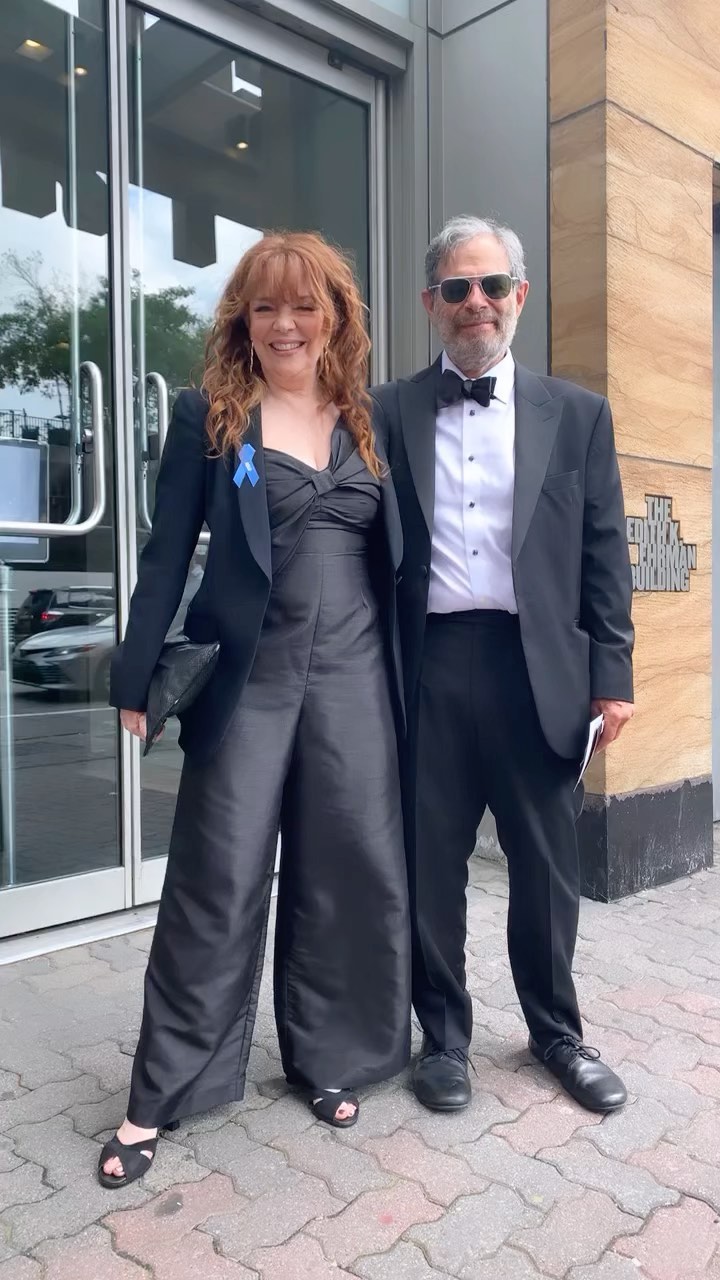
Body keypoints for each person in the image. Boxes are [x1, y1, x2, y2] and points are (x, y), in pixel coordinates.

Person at [98, 232, 411, 1189]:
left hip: (355, 677)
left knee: (347, 868)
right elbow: (166, 554)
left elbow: (400, 564)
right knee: (217, 877)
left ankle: (332, 1056)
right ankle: (162, 1092)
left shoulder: (371, 420)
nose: (285, 324)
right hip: (251, 678)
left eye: (303, 305)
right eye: (265, 306)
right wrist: (135, 676)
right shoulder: (210, 416)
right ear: (243, 319)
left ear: (335, 317)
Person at [372, 215, 634, 1115]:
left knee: (547, 868)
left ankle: (556, 1033)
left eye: (491, 285)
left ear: (520, 295)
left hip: (539, 672)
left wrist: (613, 677)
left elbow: (604, 553)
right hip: (430, 666)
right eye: (457, 288)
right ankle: (443, 1038)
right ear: (431, 303)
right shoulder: (386, 411)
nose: (474, 302)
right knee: (430, 867)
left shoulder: (579, 414)